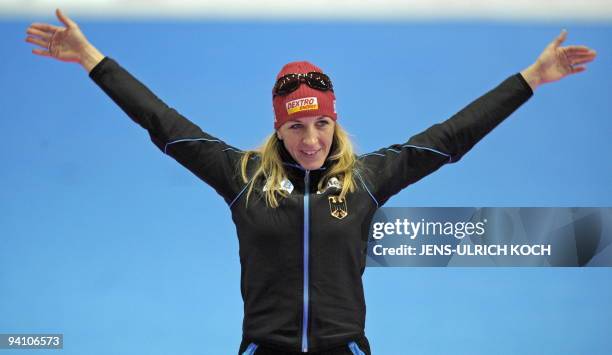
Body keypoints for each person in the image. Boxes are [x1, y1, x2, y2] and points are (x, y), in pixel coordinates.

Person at [26, 8, 597, 355]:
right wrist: (90, 59)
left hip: (344, 351)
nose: (311, 138)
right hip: (263, 351)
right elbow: (162, 122)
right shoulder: (242, 178)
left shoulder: (368, 178)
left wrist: (532, 77)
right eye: (297, 126)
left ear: (335, 120)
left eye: (321, 122)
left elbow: (451, 136)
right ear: (279, 128)